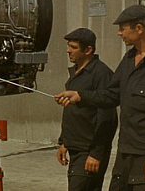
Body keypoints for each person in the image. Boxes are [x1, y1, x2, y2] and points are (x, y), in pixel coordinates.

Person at [55, 5, 145, 191]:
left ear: (139, 28)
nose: (119, 33)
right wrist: (80, 96)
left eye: (123, 28)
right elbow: (111, 95)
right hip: (125, 154)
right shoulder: (129, 59)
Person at [56, 28, 118, 191]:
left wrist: (96, 154)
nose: (68, 50)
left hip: (89, 151)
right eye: (68, 46)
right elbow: (71, 113)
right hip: (75, 149)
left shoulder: (101, 74)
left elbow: (108, 118)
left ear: (88, 50)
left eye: (73, 47)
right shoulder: (76, 73)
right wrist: (64, 142)